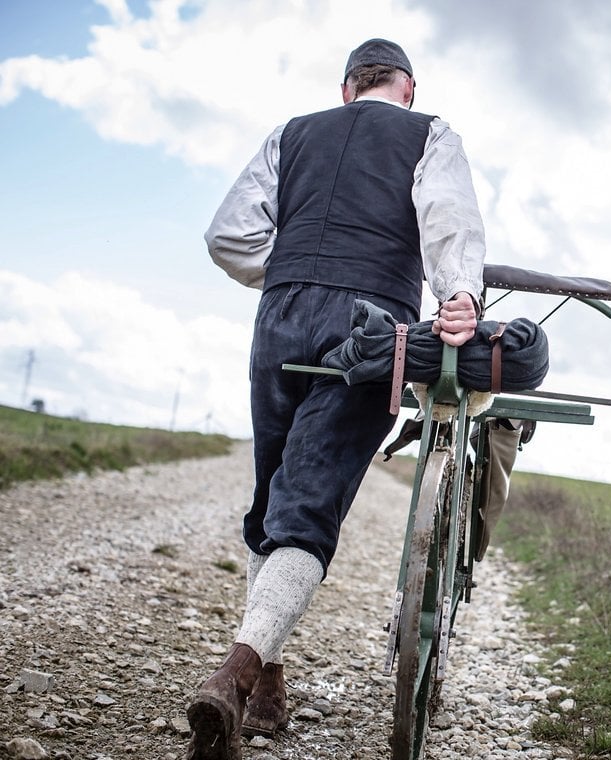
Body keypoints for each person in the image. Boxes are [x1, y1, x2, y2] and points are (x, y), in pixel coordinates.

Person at [188, 38, 485, 759]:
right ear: (406, 88)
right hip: (370, 326)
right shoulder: (429, 132)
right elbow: (447, 219)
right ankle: (236, 675)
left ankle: (268, 684)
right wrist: (459, 294)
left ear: (348, 88)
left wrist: (294, 264)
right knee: (309, 506)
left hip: (281, 316)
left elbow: (227, 236)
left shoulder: (292, 133)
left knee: (274, 496)